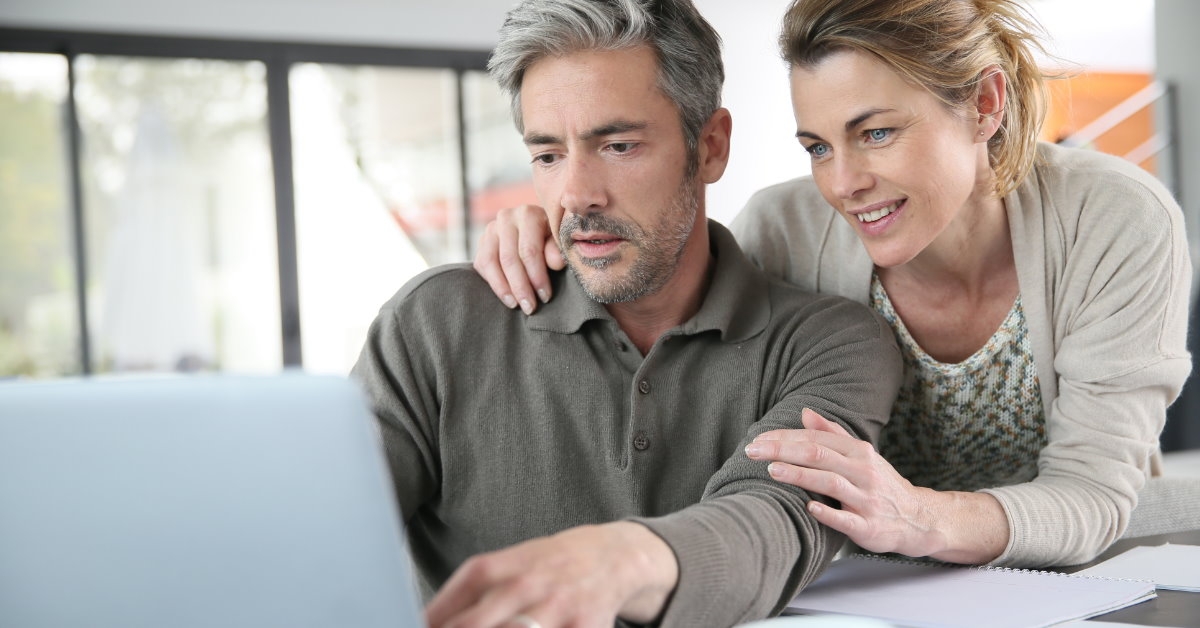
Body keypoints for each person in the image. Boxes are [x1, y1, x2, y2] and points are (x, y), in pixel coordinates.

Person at [472, 0, 1193, 569]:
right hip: (869, 585)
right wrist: (556, 236)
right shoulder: (782, 229)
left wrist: (918, 518)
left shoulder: (1113, 220)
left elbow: (1094, 491)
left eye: (876, 132)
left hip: (1082, 572)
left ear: (984, 104)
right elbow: (673, 330)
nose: (844, 184)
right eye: (818, 146)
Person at [352, 1, 902, 626]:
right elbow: (322, 534)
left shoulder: (829, 344)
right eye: (548, 155)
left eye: (617, 145)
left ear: (711, 147)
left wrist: (623, 561)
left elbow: (778, 522)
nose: (576, 195)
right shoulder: (434, 325)